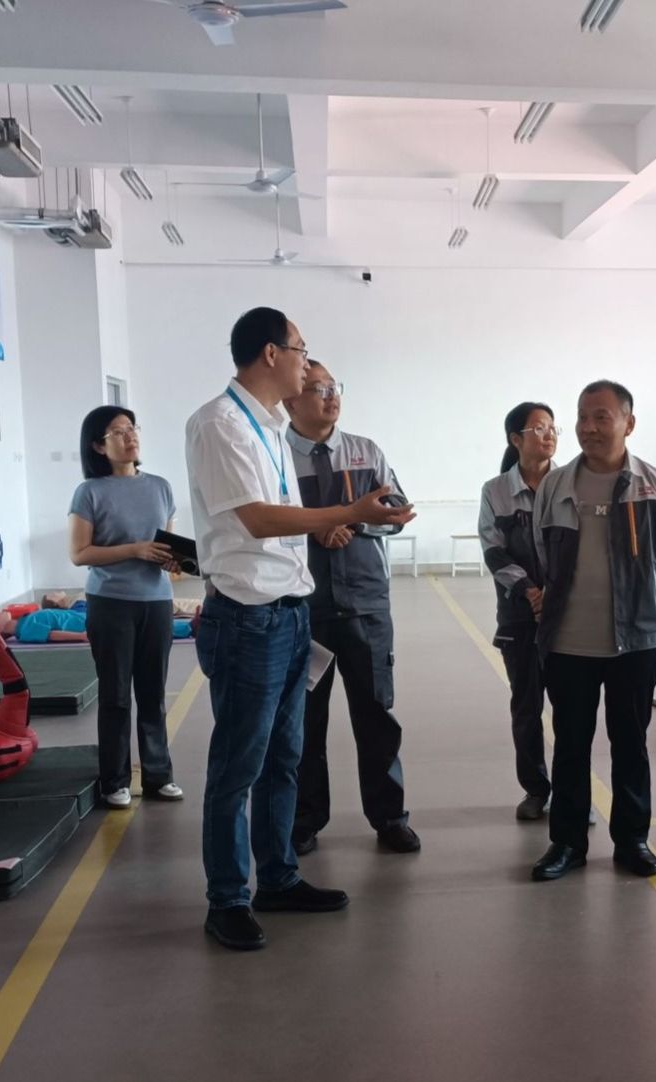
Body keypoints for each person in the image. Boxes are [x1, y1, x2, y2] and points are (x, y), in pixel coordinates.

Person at [187, 306, 415, 952]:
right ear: (270, 354)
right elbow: (259, 520)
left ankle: (279, 877)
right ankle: (227, 899)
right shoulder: (220, 424)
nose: (307, 363)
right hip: (248, 619)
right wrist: (344, 513)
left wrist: (345, 519)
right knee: (238, 766)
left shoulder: (268, 426)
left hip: (290, 613)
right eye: (300, 350)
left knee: (284, 757)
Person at [529, 380, 656, 882]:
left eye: (601, 417)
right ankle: (567, 843)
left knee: (630, 743)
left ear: (628, 424)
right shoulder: (556, 486)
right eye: (582, 417)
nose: (588, 427)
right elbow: (542, 553)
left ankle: (632, 840)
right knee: (570, 744)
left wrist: (634, 603)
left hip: (635, 643)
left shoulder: (654, 486)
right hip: (568, 642)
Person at [283, 362, 419, 856]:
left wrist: (357, 523)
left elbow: (399, 513)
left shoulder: (366, 452)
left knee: (376, 714)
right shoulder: (275, 456)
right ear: (290, 400)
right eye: (316, 389)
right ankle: (304, 820)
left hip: (366, 605)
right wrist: (314, 528)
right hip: (303, 609)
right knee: (304, 720)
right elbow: (263, 524)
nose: (330, 396)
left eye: (333, 387)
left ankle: (390, 817)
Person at [69, 406, 184, 811]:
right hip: (111, 603)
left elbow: (165, 547)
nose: (130, 436)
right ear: (99, 446)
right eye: (118, 432)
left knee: (153, 694)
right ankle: (115, 780)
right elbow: (80, 553)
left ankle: (158, 775)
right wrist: (134, 550)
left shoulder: (161, 487)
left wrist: (173, 562)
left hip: (156, 602)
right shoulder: (90, 492)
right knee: (116, 695)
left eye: (132, 428)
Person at [479, 402, 558, 821]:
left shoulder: (570, 484)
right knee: (526, 708)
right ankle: (535, 789)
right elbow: (494, 550)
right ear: (515, 439)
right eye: (538, 428)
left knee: (572, 710)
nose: (549, 435)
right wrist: (530, 591)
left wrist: (556, 594)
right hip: (518, 617)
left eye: (552, 427)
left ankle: (572, 793)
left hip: (568, 616)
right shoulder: (495, 491)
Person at [0, 607, 195, 645]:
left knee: (137, 621)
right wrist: (81, 637)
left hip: (86, 617)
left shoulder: (25, 621)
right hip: (87, 625)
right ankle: (189, 628)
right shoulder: (25, 631)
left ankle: (186, 625)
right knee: (139, 627)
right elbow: (52, 635)